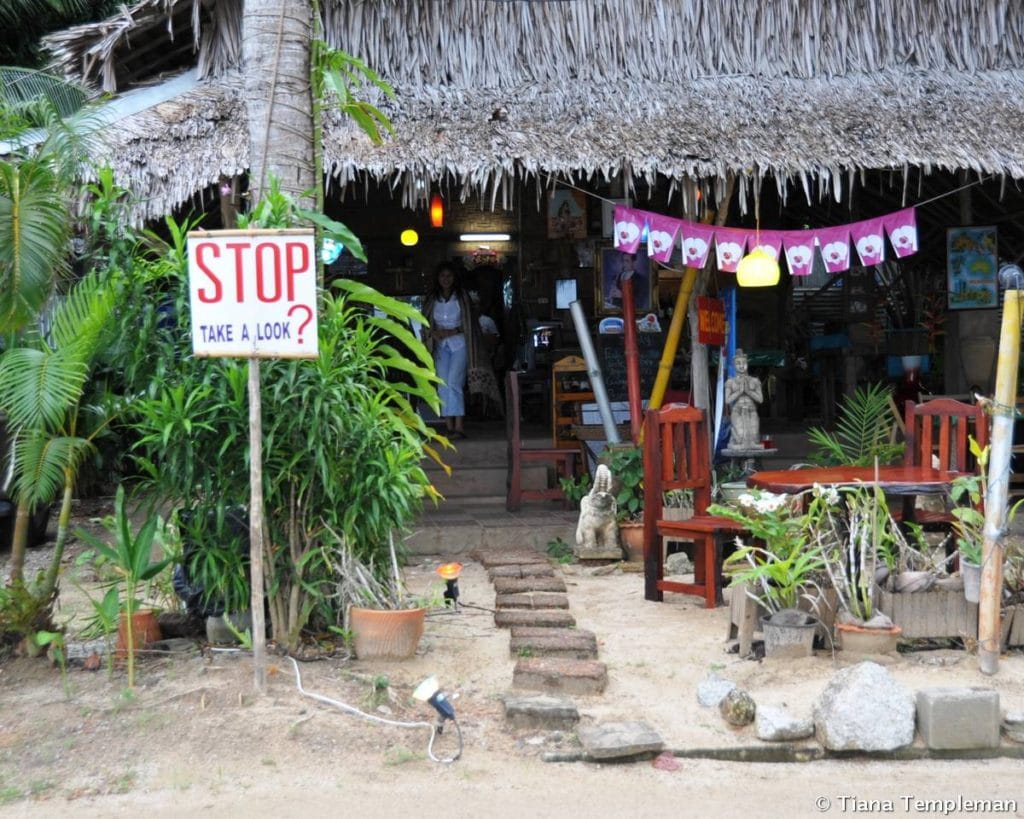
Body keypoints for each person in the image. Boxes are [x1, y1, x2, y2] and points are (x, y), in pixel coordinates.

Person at [424, 262, 474, 438]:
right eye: (443, 276)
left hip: (459, 343)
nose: (446, 279)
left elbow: (470, 324)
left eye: (449, 276)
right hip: (440, 345)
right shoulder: (432, 298)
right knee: (442, 384)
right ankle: (449, 425)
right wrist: (434, 334)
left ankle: (459, 426)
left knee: (454, 382)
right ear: (438, 278)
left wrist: (453, 331)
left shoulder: (462, 297)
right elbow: (426, 322)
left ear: (454, 278)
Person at [725, 349, 763, 450]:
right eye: (738, 363)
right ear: (734, 365)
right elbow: (727, 400)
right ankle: (734, 438)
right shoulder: (730, 382)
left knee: (754, 438)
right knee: (740, 439)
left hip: (752, 410)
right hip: (737, 410)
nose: (741, 366)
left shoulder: (754, 381)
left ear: (747, 364)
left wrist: (748, 391)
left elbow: (760, 399)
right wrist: (740, 391)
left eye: (744, 363)